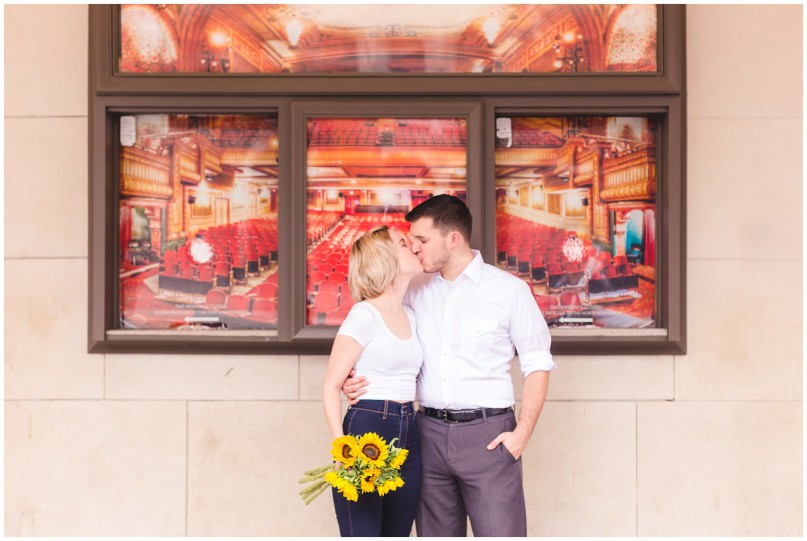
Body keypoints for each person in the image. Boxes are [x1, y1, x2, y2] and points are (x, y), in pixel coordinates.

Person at [343, 195, 555, 537]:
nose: (415, 248)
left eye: (422, 240)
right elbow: (376, 332)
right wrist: (350, 378)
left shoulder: (509, 291)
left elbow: (537, 363)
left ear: (453, 239)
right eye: (411, 241)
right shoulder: (413, 290)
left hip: (489, 436)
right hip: (425, 436)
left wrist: (522, 434)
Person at [322, 225, 425, 537]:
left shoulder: (412, 314)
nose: (414, 248)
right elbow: (330, 385)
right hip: (369, 425)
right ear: (386, 258)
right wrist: (343, 451)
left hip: (410, 428)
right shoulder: (363, 315)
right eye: (405, 243)